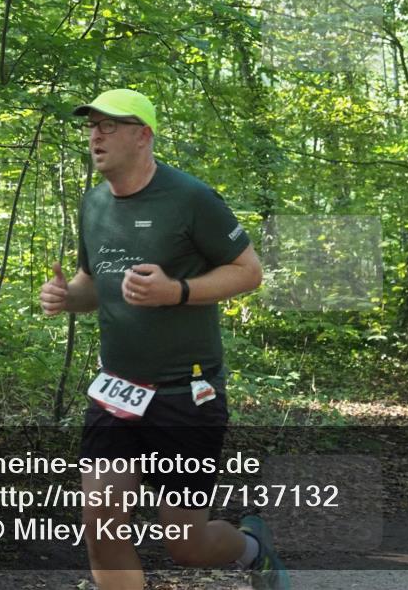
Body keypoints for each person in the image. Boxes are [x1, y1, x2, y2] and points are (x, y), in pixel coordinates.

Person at [39, 89, 288, 590]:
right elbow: (95, 283)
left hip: (185, 395)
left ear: (142, 135)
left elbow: (249, 271)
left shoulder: (191, 199)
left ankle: (251, 548)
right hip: (117, 393)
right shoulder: (93, 204)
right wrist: (67, 296)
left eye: (109, 126)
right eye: (92, 125)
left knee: (185, 545)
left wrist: (177, 291)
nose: (96, 135)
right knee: (100, 521)